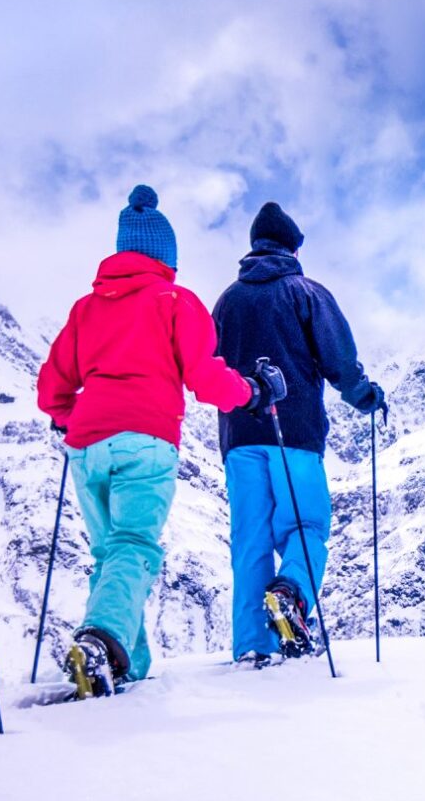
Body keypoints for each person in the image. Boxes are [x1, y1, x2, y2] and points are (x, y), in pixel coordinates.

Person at [37, 185, 270, 697]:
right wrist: (250, 393)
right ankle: (101, 641)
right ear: (167, 257)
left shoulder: (85, 309)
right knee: (134, 545)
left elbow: (51, 385)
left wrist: (69, 416)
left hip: (86, 445)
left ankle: (126, 663)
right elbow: (205, 378)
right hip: (146, 439)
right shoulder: (175, 301)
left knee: (111, 552)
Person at [212, 201, 384, 666]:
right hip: (295, 433)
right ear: (292, 247)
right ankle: (291, 595)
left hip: (238, 436)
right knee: (305, 525)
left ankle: (252, 643)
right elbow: (339, 360)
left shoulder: (227, 300)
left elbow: (209, 364)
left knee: (250, 538)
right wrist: (364, 395)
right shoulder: (304, 292)